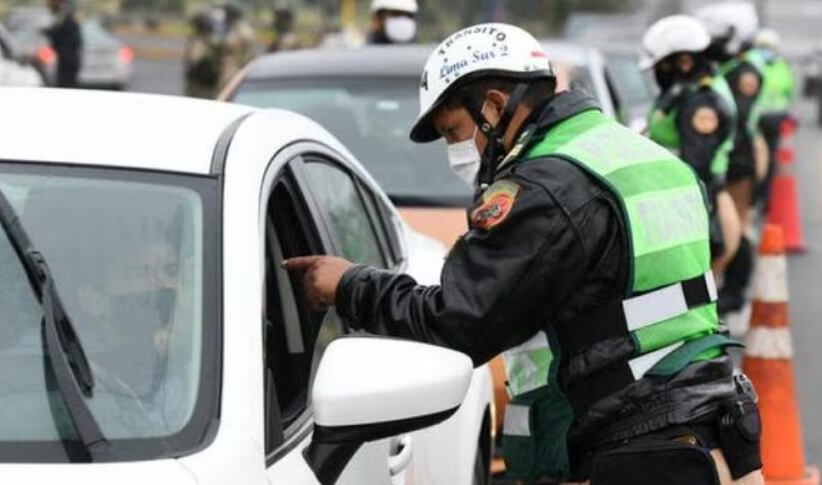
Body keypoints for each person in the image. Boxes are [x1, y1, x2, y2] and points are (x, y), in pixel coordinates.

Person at [285, 23, 762, 485]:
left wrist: (348, 285)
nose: (455, 150)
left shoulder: (546, 187)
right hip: (714, 432)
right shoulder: (646, 157)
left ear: (493, 107)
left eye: (454, 132)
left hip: (636, 448)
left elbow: (461, 320)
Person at [640, 15, 742, 279]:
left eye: (661, 66)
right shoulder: (689, 90)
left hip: (696, 204)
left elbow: (696, 167)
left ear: (684, 61)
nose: (658, 74)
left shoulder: (702, 102)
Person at [695, 1, 767, 313]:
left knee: (737, 223)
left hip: (738, 155)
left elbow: (736, 118)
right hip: (736, 151)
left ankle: (736, 289)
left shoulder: (745, 71)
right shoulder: (733, 67)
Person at [754, 28, 795, 209]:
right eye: (762, 47)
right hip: (754, 121)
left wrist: (788, 115)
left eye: (768, 47)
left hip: (774, 121)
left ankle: (765, 199)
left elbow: (787, 94)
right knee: (753, 161)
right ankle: (754, 197)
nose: (765, 51)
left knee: (770, 160)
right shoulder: (752, 65)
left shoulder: (781, 67)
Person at [44, 0, 81, 88]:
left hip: (68, 57)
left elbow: (57, 31)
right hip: (67, 57)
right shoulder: (64, 14)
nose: (49, 5)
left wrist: (46, 32)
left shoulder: (64, 14)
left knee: (66, 84)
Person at [185, 11, 222, 99]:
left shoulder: (201, 41)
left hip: (202, 81)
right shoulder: (212, 40)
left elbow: (195, 60)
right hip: (205, 80)